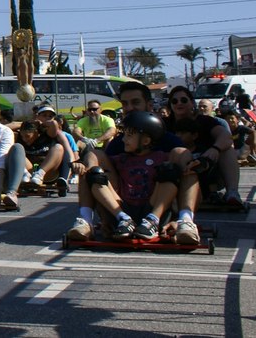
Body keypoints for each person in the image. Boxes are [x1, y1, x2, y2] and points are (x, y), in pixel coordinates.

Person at [67, 81, 197, 244]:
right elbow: (100, 180)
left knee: (180, 160)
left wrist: (176, 217)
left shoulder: (169, 141)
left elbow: (189, 180)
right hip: (123, 204)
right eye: (125, 103)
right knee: (92, 159)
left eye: (135, 102)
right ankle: (86, 221)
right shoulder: (118, 144)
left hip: (156, 203)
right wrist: (105, 216)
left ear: (149, 105)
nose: (129, 108)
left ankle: (186, 221)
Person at [87, 111, 182, 242]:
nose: (124, 139)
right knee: (96, 175)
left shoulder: (160, 157)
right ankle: (123, 219)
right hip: (123, 208)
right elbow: (97, 157)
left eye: (129, 135)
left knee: (169, 171)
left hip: (151, 207)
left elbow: (180, 160)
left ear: (146, 140)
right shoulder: (121, 158)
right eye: (124, 135)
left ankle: (153, 220)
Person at [168, 85, 243, 208]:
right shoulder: (164, 123)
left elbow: (226, 136)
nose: (179, 103)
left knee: (227, 149)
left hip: (206, 165)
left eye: (184, 100)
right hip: (178, 168)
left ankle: (232, 193)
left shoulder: (205, 121)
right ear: (170, 105)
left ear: (192, 103)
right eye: (174, 101)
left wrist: (215, 149)